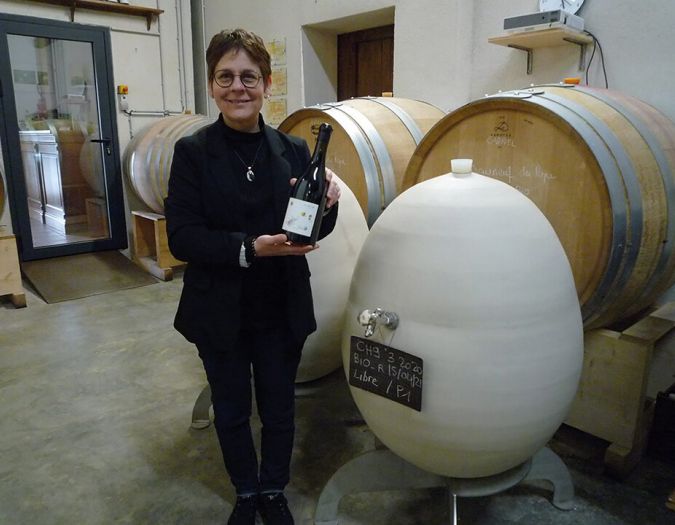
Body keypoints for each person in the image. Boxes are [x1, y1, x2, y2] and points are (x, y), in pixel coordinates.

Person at [165, 28, 341, 525]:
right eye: (226, 77)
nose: (237, 87)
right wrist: (249, 248)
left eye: (248, 76)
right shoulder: (192, 153)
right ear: (211, 84)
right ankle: (245, 491)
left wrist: (329, 206)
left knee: (280, 408)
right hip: (218, 307)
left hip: (279, 304)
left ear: (266, 83)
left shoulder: (293, 149)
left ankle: (273, 489)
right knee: (232, 408)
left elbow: (309, 231)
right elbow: (182, 237)